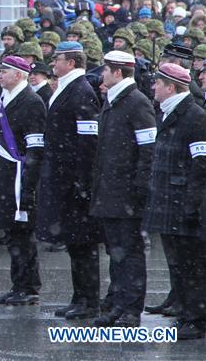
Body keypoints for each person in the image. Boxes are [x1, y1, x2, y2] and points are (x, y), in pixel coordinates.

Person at [90, 50, 156, 327]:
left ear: (118, 72)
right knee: (116, 253)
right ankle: (118, 304)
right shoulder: (114, 100)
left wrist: (139, 190)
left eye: (105, 70)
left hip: (126, 194)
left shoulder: (136, 102)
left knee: (130, 253)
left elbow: (148, 150)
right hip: (110, 192)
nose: (102, 76)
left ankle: (131, 308)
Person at [143, 63, 206, 340]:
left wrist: (192, 205)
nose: (153, 87)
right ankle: (184, 311)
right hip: (169, 200)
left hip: (183, 203)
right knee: (178, 263)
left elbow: (200, 164)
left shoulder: (195, 117)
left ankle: (196, 319)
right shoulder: (167, 112)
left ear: (171, 87)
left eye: (157, 83)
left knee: (192, 265)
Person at [39, 41, 101, 320]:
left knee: (83, 244)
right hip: (64, 178)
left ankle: (89, 300)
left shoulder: (81, 91)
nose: (53, 63)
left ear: (72, 63)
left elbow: (88, 143)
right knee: (75, 244)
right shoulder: (68, 88)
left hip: (74, 181)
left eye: (58, 59)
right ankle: (80, 296)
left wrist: (82, 183)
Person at [0, 56, 46, 306]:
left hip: (21, 177)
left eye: (4, 71)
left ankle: (29, 286)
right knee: (13, 234)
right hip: (6, 176)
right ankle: (18, 284)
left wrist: (28, 186)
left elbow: (35, 147)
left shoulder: (31, 102)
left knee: (24, 235)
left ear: (18, 75)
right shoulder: (5, 98)